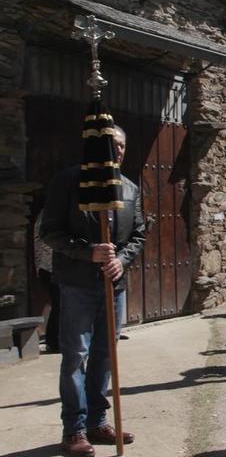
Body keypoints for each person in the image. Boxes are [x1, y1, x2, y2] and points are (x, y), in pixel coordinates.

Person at [41, 125, 144, 457]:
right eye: (110, 144)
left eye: (122, 146)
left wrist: (122, 261)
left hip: (114, 286)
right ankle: (74, 429)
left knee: (105, 355)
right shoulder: (69, 181)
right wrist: (88, 252)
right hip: (77, 285)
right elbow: (51, 232)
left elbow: (138, 234)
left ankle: (98, 421)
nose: (116, 151)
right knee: (76, 357)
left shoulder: (128, 188)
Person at [34, 210, 60, 353]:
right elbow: (45, 244)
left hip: (49, 267)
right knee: (59, 304)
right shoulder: (48, 214)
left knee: (59, 304)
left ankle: (55, 340)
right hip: (50, 267)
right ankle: (54, 341)